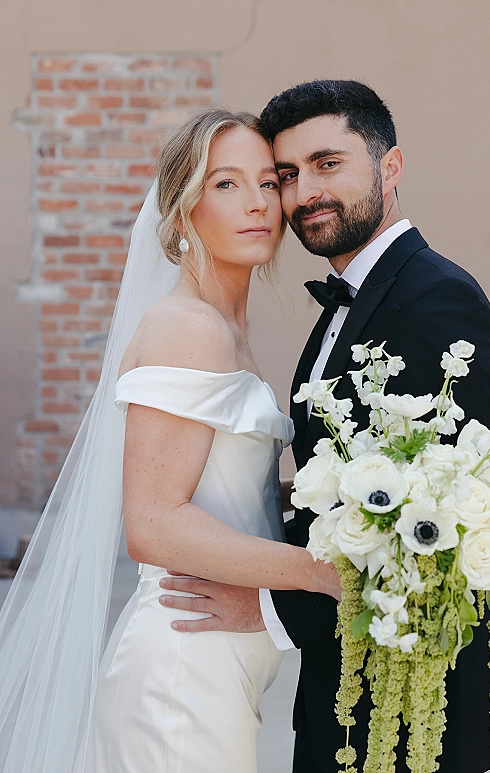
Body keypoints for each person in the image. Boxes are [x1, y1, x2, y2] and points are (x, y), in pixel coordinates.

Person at [159, 81, 490, 773]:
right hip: (348, 688)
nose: (305, 193)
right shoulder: (353, 299)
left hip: (416, 700)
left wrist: (271, 610)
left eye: (328, 164)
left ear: (390, 168)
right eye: (288, 175)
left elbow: (432, 527)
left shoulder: (436, 302)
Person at [0, 108, 341, 773]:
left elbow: (214, 484)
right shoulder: (188, 329)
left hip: (217, 671)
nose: (256, 202)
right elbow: (153, 524)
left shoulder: (224, 328)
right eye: (224, 184)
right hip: (180, 676)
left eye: (268, 182)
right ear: (181, 214)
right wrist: (322, 575)